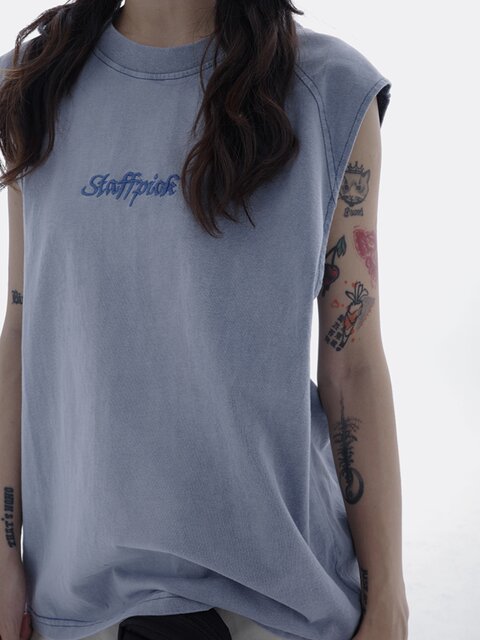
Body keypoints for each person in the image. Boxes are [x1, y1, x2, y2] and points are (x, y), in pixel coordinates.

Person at [0, 0, 409, 639]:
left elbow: (352, 360)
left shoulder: (328, 90)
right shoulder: (34, 85)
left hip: (279, 610)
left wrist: (388, 598)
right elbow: (23, 327)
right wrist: (2, 552)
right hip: (82, 609)